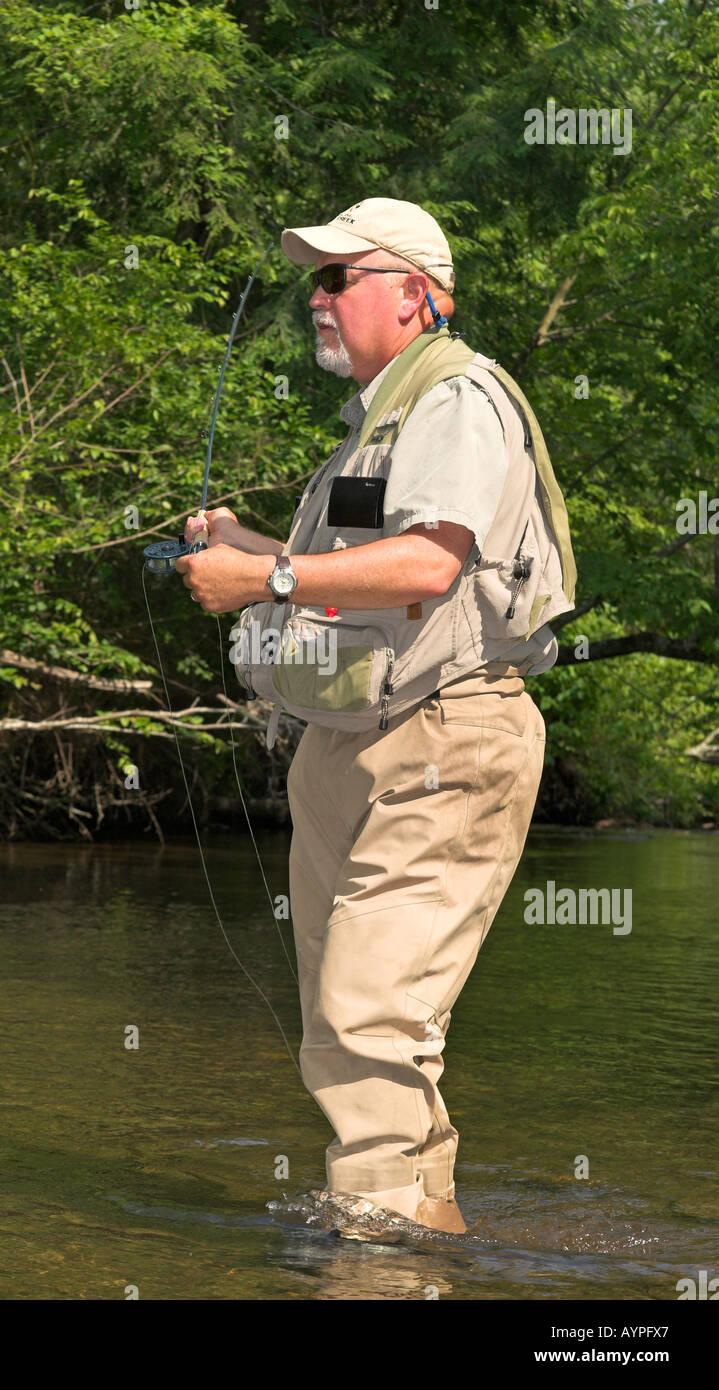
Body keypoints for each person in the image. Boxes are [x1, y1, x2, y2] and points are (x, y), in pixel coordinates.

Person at [177, 198, 576, 1237]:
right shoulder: (385, 419)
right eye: (317, 277)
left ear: (414, 295)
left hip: (444, 738)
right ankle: (414, 1235)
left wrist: (259, 573)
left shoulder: (453, 399)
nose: (317, 295)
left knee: (366, 1015)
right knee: (360, 1018)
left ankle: (376, 1258)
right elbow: (357, 579)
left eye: (339, 276)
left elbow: (427, 565)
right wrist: (249, 541)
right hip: (358, 741)